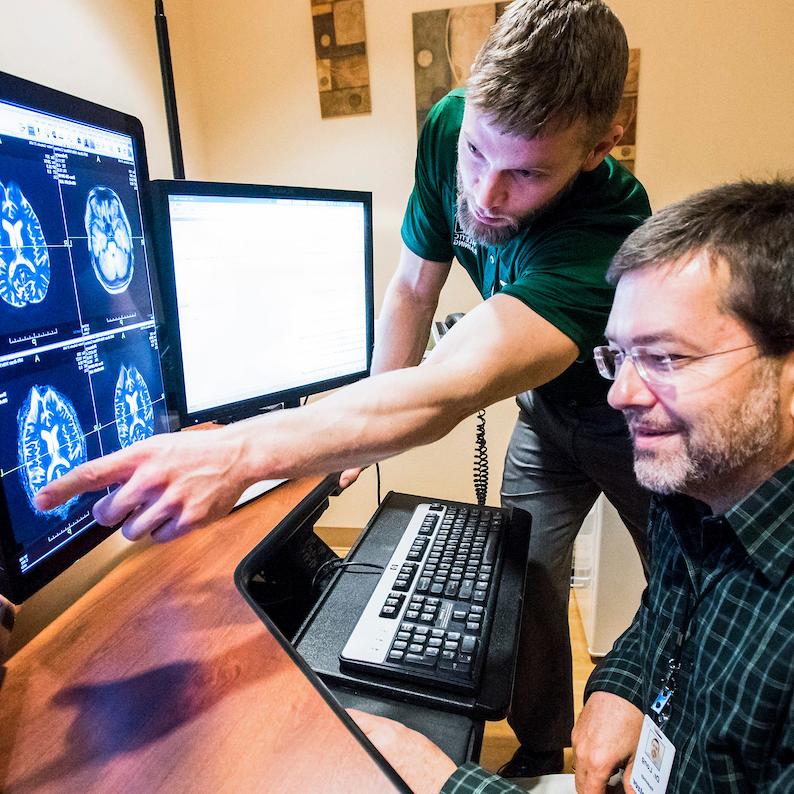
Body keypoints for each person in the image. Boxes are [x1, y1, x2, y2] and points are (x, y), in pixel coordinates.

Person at [36, 0, 651, 774]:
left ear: (600, 147)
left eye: (527, 174)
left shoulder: (607, 232)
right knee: (526, 572)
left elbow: (447, 391)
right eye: (477, 157)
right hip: (543, 418)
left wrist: (239, 452)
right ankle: (538, 750)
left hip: (625, 418)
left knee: (684, 584)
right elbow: (410, 292)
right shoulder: (450, 126)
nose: (486, 197)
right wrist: (356, 429)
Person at [350, 179, 794, 793]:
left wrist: (445, 785)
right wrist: (625, 683)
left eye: (665, 358)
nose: (620, 395)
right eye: (617, 357)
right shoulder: (698, 496)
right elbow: (668, 613)